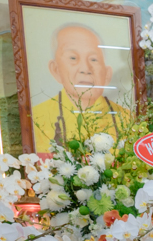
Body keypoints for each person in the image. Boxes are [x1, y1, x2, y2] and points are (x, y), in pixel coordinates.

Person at [31, 24, 130, 153]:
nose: (85, 69)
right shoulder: (36, 118)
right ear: (55, 70)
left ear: (107, 74)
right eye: (73, 58)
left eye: (93, 59)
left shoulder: (128, 119)